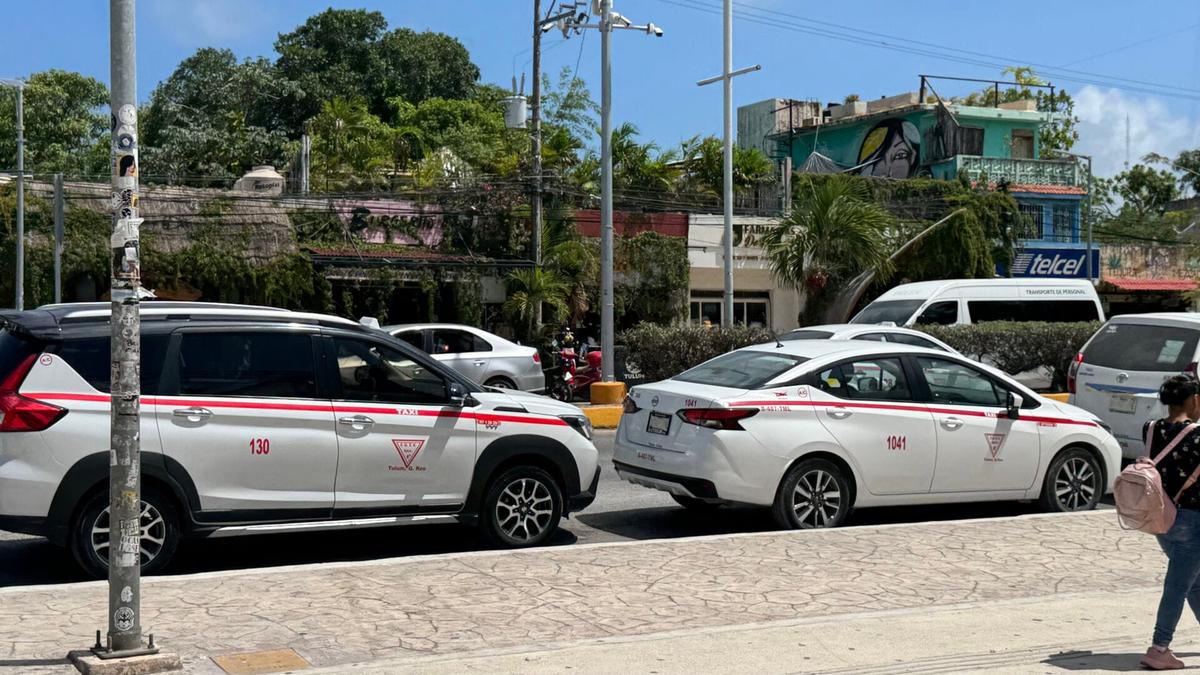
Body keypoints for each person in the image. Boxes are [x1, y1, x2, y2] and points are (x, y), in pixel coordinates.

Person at [1143, 375, 1200, 670]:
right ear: (1194, 400)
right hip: (1192, 522)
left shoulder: (1151, 429)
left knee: (1193, 581)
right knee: (1179, 585)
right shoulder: (1197, 436)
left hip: (1161, 520)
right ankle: (1159, 647)